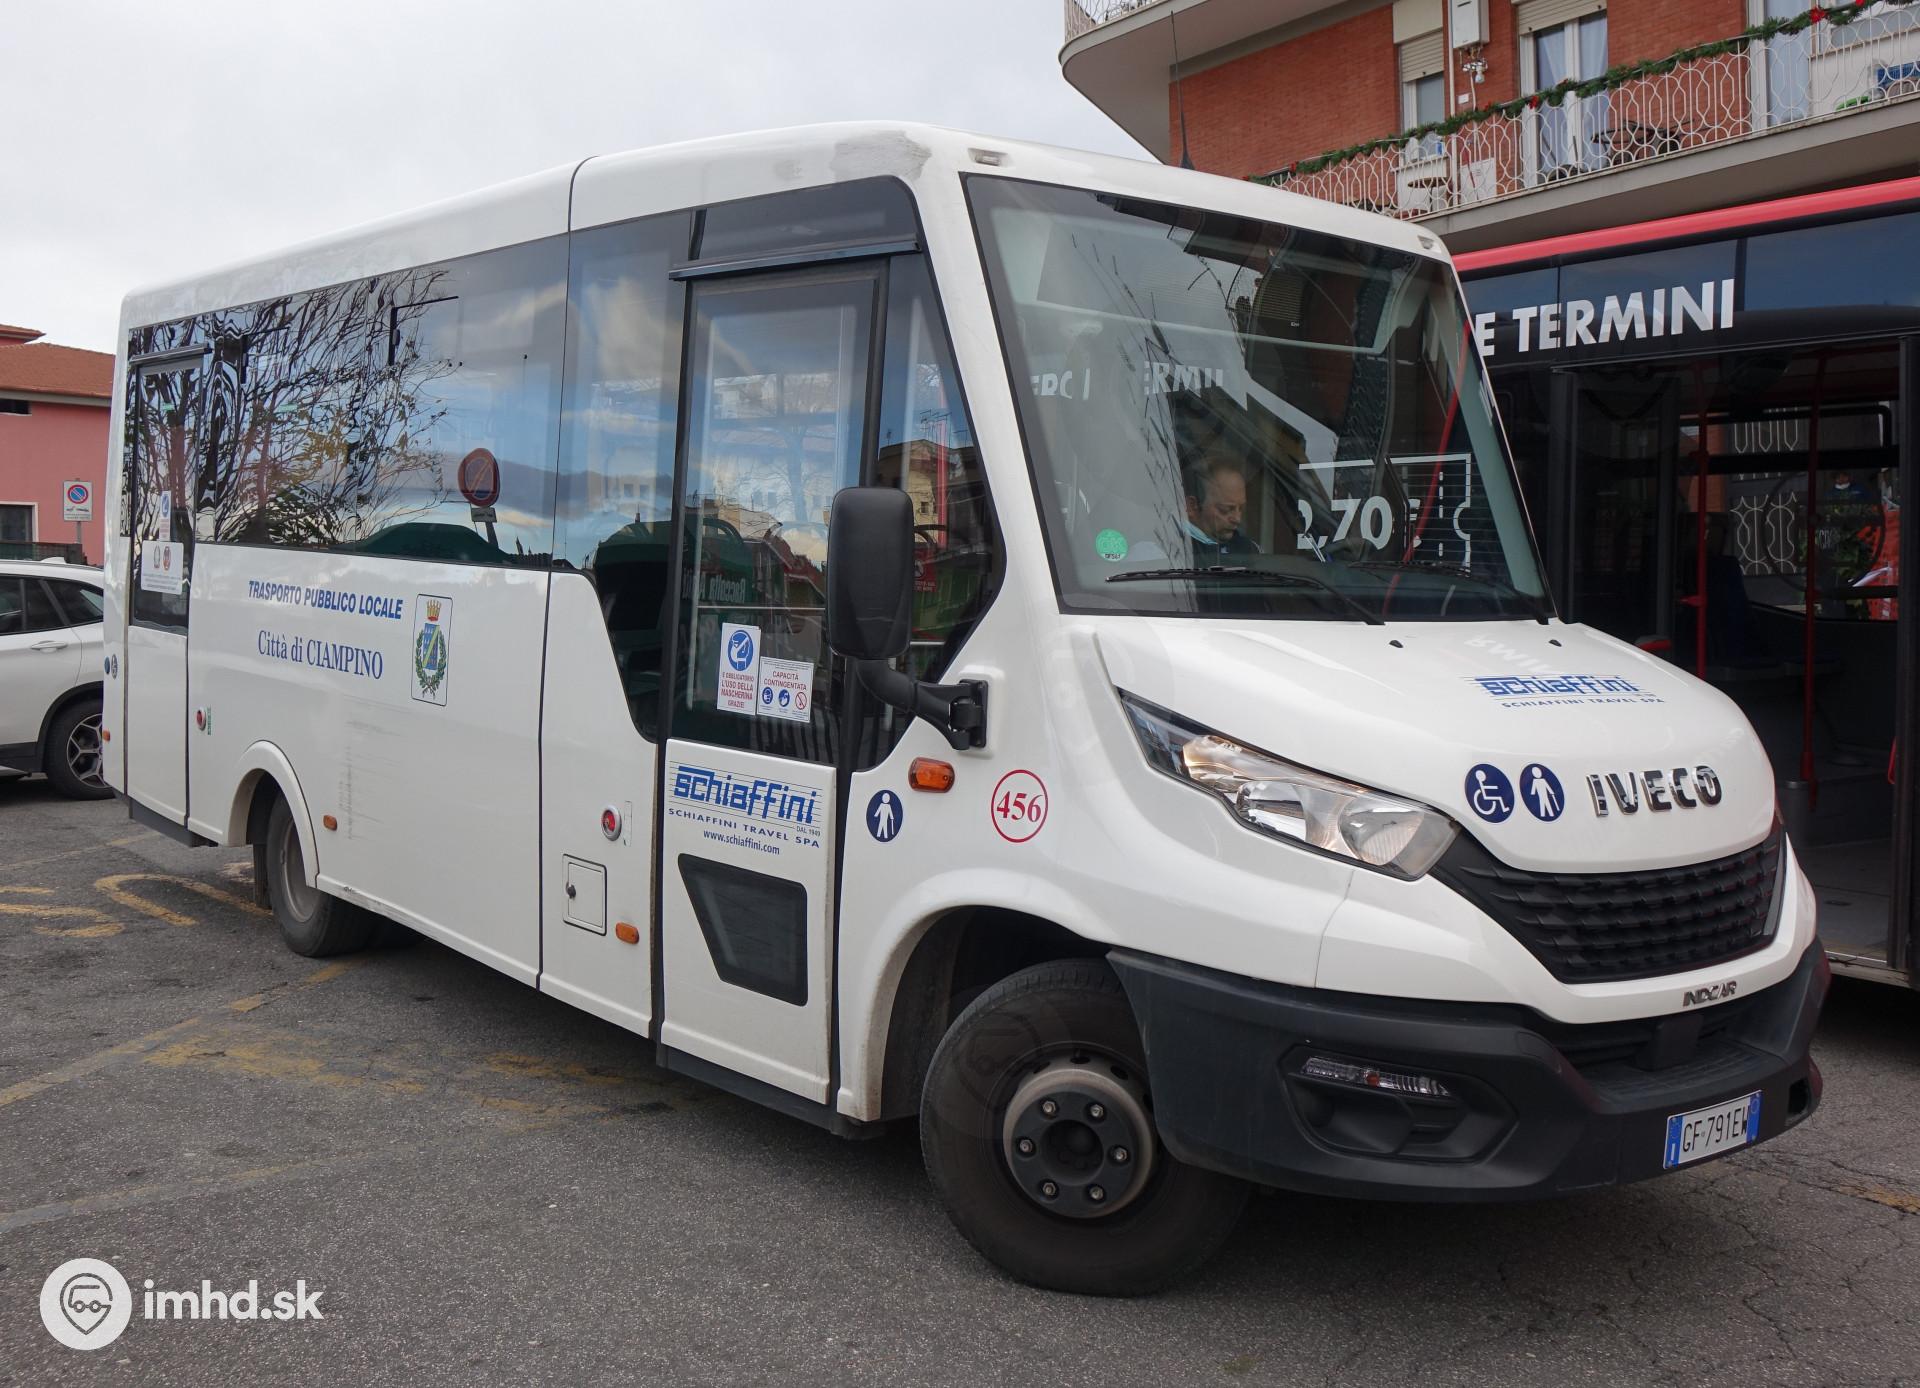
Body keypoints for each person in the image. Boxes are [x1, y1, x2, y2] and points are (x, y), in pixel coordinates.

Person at [1182, 453, 1261, 560]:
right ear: (1191, 506)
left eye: (1241, 508)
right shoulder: (1174, 548)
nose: (1237, 519)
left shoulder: (1249, 550)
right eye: (1225, 510)